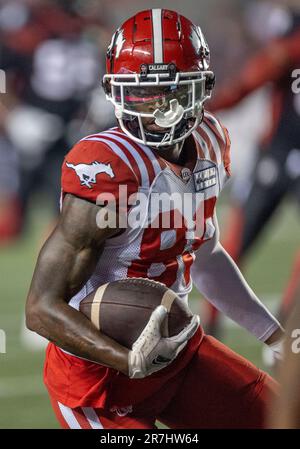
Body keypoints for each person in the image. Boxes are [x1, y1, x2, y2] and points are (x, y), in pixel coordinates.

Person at [26, 9, 284, 429]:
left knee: (281, 417)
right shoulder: (106, 167)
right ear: (116, 92)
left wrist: (274, 335)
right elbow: (40, 308)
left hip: (175, 346)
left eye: (176, 94)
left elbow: (205, 253)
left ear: (204, 89)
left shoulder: (211, 141)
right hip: (96, 381)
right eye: (146, 95)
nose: (162, 112)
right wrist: (127, 358)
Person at [203, 2, 300, 336]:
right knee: (235, 244)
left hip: (275, 156)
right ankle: (288, 319)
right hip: (276, 156)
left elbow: (245, 86)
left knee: (235, 243)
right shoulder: (285, 50)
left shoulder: (286, 50)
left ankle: (214, 318)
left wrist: (206, 105)